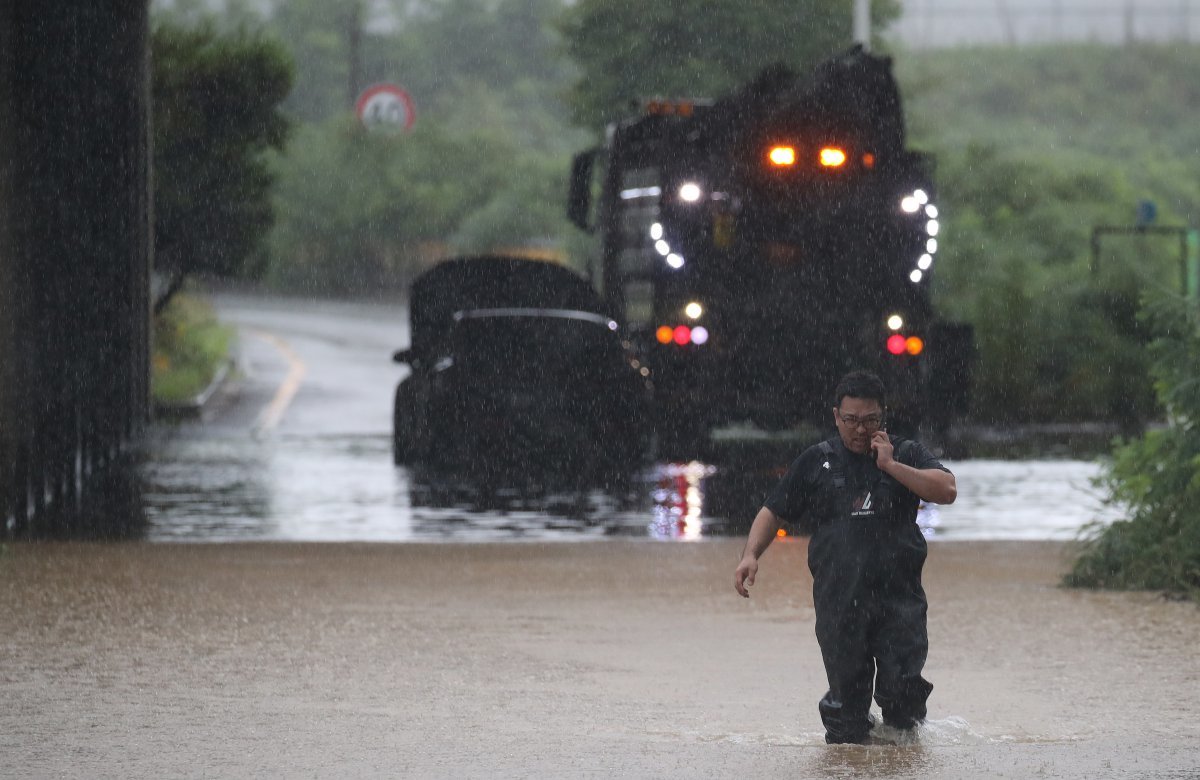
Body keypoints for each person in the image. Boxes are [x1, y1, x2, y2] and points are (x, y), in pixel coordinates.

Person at [733, 370, 957, 744]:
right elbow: (773, 510)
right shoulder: (816, 461)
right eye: (851, 420)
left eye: (870, 420)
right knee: (847, 715)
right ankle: (849, 763)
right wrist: (750, 555)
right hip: (840, 603)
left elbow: (947, 490)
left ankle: (904, 763)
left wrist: (890, 467)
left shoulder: (904, 453)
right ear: (836, 416)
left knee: (902, 698)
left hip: (899, 602)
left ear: (882, 416)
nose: (860, 430)